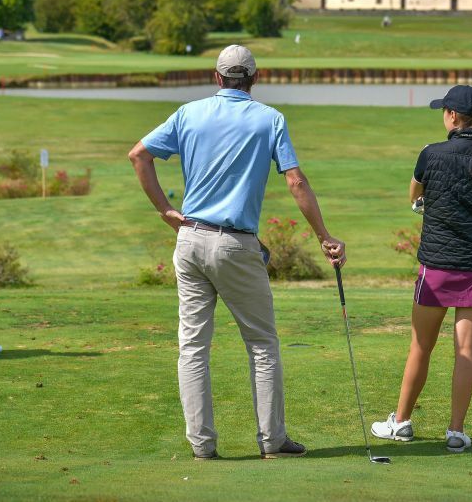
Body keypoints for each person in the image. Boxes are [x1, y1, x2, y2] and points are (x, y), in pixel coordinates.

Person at [128, 44, 346, 461]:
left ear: (216, 78)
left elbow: (139, 155)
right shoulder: (270, 119)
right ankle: (273, 441)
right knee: (262, 343)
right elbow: (296, 183)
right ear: (255, 79)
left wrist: (165, 211)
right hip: (235, 244)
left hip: (190, 239)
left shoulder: (189, 113)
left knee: (193, 346)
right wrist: (324, 235)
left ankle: (202, 446)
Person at [371, 84, 472, 454]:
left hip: (438, 267)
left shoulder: (430, 154)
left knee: (421, 346)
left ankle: (400, 422)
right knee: (466, 350)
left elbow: (414, 196)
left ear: (451, 116)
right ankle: (456, 432)